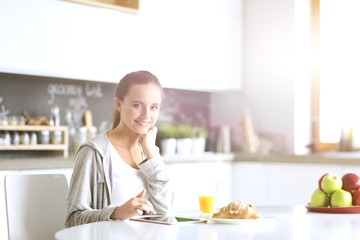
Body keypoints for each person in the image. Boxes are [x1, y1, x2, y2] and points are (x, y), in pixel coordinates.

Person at [65, 71, 173, 227]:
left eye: (154, 107)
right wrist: (115, 213)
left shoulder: (151, 152)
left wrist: (151, 153)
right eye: (137, 105)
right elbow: (72, 221)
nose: (146, 116)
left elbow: (164, 213)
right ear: (118, 104)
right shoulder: (94, 152)